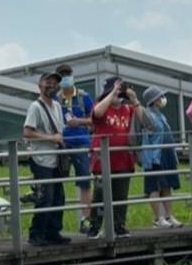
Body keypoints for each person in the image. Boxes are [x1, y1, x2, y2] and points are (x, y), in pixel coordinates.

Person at [87, 77, 145, 237]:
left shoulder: (128, 109)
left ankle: (118, 226)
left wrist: (133, 99)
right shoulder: (101, 106)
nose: (118, 95)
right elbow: (97, 113)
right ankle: (94, 226)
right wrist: (112, 92)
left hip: (123, 158)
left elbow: (146, 122)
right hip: (102, 159)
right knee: (100, 195)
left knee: (120, 195)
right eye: (116, 91)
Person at [23, 72, 71, 246]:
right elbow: (27, 132)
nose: (51, 85)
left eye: (54, 82)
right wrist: (50, 138)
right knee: (46, 197)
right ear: (40, 85)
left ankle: (53, 231)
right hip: (41, 159)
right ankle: (36, 234)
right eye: (48, 82)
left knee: (59, 197)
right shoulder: (35, 107)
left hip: (56, 159)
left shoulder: (57, 106)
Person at [55, 64, 96, 234]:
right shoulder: (55, 99)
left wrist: (79, 121)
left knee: (85, 181)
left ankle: (85, 219)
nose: (65, 78)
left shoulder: (83, 97)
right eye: (62, 75)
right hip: (61, 143)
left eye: (67, 74)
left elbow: (94, 119)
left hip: (81, 142)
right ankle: (54, 223)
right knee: (56, 181)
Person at [139, 86, 182, 228]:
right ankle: (158, 218)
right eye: (159, 97)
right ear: (153, 100)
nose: (162, 99)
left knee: (166, 186)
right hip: (154, 156)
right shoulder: (146, 114)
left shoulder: (161, 115)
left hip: (167, 154)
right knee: (154, 187)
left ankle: (169, 216)